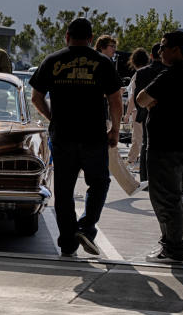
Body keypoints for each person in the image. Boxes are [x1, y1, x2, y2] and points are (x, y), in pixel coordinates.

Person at [30, 17, 122, 257]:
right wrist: (114, 129)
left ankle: (68, 242)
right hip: (93, 136)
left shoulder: (52, 60)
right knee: (99, 183)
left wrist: (53, 118)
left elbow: (36, 98)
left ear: (67, 36)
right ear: (91, 39)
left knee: (63, 190)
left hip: (63, 136)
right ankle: (85, 226)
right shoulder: (102, 62)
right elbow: (115, 100)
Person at [136, 30, 183, 264]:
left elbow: (142, 99)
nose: (159, 51)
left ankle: (172, 248)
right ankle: (169, 243)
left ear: (176, 49)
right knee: (172, 197)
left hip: (166, 147)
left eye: (163, 47)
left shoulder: (174, 73)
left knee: (164, 198)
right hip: (181, 144)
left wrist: (153, 102)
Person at [133, 43, 167, 183]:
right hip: (166, 114)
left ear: (151, 56)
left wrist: (144, 107)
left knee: (146, 144)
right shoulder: (169, 71)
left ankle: (145, 178)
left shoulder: (141, 72)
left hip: (146, 112)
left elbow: (137, 97)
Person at [124, 48, 150, 167]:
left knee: (137, 137)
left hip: (136, 110)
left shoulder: (138, 75)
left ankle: (131, 160)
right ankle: (134, 159)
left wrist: (127, 114)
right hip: (143, 109)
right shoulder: (146, 73)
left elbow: (133, 97)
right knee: (141, 136)